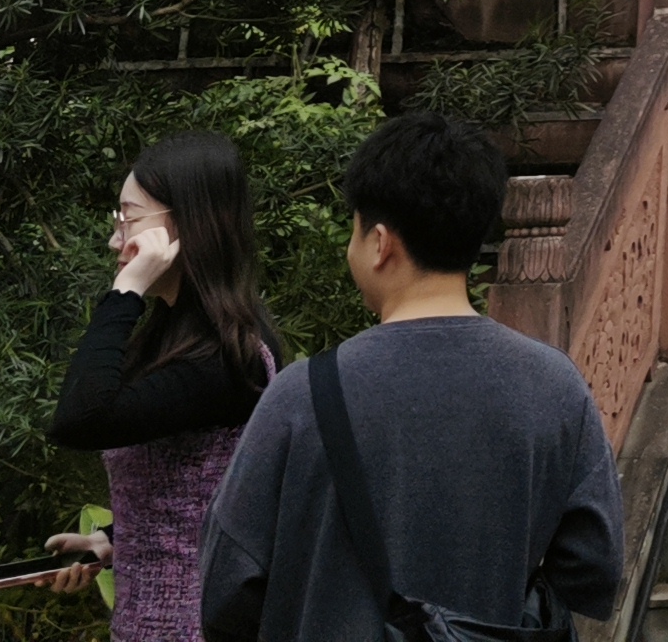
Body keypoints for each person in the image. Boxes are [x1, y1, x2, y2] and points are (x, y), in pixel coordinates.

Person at [198, 113, 623, 642]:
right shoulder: (554, 387)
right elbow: (593, 570)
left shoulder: (304, 394)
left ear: (380, 243)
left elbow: (226, 589)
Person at [41, 132, 281, 642]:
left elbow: (80, 420)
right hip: (154, 620)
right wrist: (112, 541)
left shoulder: (227, 356)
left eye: (128, 219)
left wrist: (126, 289)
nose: (115, 239)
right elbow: (195, 497)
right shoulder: (173, 335)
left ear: (186, 222)